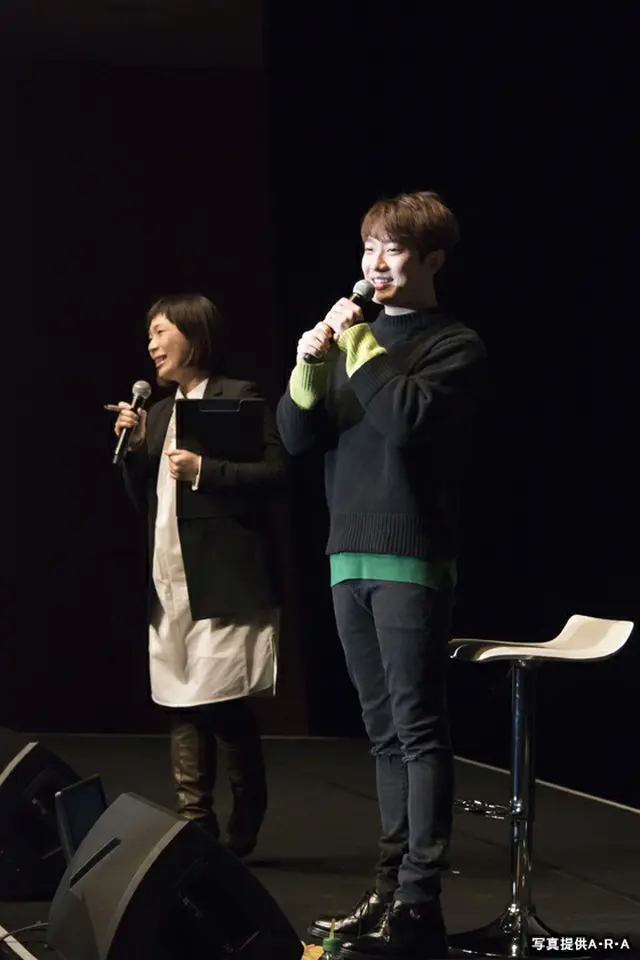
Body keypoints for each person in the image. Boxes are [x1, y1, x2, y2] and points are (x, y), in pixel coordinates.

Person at [276, 191, 486, 959]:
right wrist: (309, 362)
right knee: (383, 735)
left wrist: (357, 342)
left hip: (411, 556)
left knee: (418, 727)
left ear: (431, 259)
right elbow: (296, 439)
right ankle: (389, 887)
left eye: (393, 249)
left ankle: (420, 902)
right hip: (348, 553)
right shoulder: (349, 344)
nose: (376, 263)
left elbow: (404, 421)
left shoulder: (453, 345)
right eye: (369, 248)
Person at [108, 293, 286, 858]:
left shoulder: (238, 396)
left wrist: (207, 469)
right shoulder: (160, 412)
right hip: (169, 576)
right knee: (179, 698)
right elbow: (147, 500)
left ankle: (247, 805)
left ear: (195, 334)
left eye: (162, 332)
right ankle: (195, 823)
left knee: (219, 697)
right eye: (149, 335)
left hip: (221, 575)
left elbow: (276, 472)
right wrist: (136, 449)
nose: (152, 345)